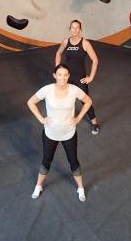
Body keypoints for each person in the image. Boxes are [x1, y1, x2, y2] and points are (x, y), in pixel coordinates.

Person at [27, 64, 93, 202]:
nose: (62, 77)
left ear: (68, 76)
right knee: (46, 161)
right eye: (60, 74)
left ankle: (80, 188)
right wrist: (41, 119)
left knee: (73, 161)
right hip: (50, 133)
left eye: (65, 75)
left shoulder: (74, 90)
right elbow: (31, 102)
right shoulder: (47, 90)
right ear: (55, 76)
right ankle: (38, 186)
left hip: (69, 133)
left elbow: (88, 101)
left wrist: (78, 118)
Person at [54, 20, 100, 135]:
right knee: (63, 98)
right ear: (70, 29)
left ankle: (94, 123)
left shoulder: (85, 43)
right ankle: (63, 121)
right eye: (72, 28)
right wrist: (58, 71)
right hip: (67, 77)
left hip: (80, 77)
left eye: (77, 28)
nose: (75, 30)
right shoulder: (65, 42)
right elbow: (58, 53)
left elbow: (95, 60)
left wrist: (91, 77)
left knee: (85, 101)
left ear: (80, 29)